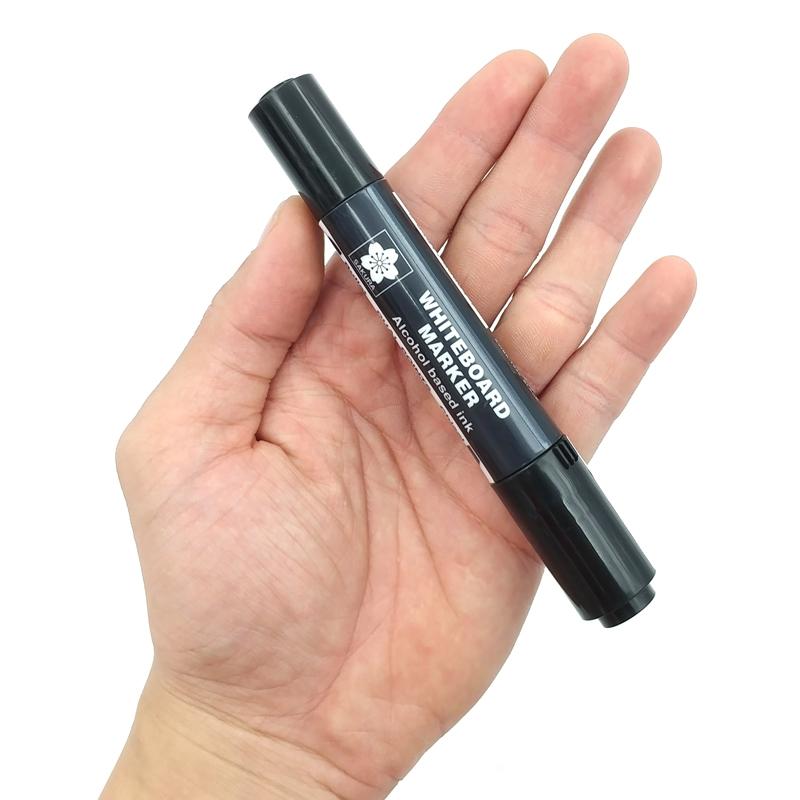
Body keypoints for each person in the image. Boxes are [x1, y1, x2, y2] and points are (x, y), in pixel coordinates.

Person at [103, 34, 696, 800]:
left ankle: (610, 582)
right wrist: (241, 734)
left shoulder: (368, 219)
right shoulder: (361, 222)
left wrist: (242, 748)